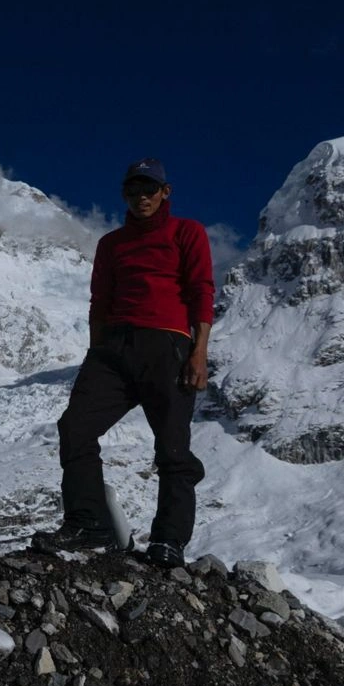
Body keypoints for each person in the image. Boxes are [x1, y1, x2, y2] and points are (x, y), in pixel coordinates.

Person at [43, 158, 214, 568]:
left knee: (173, 448)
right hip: (113, 349)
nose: (142, 197)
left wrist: (199, 351)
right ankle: (88, 525)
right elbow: (99, 301)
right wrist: (95, 350)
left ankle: (169, 540)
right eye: (134, 190)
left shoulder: (187, 232)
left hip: (168, 346)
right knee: (75, 427)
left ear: (165, 192)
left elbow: (201, 290)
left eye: (150, 189)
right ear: (125, 194)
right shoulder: (111, 244)